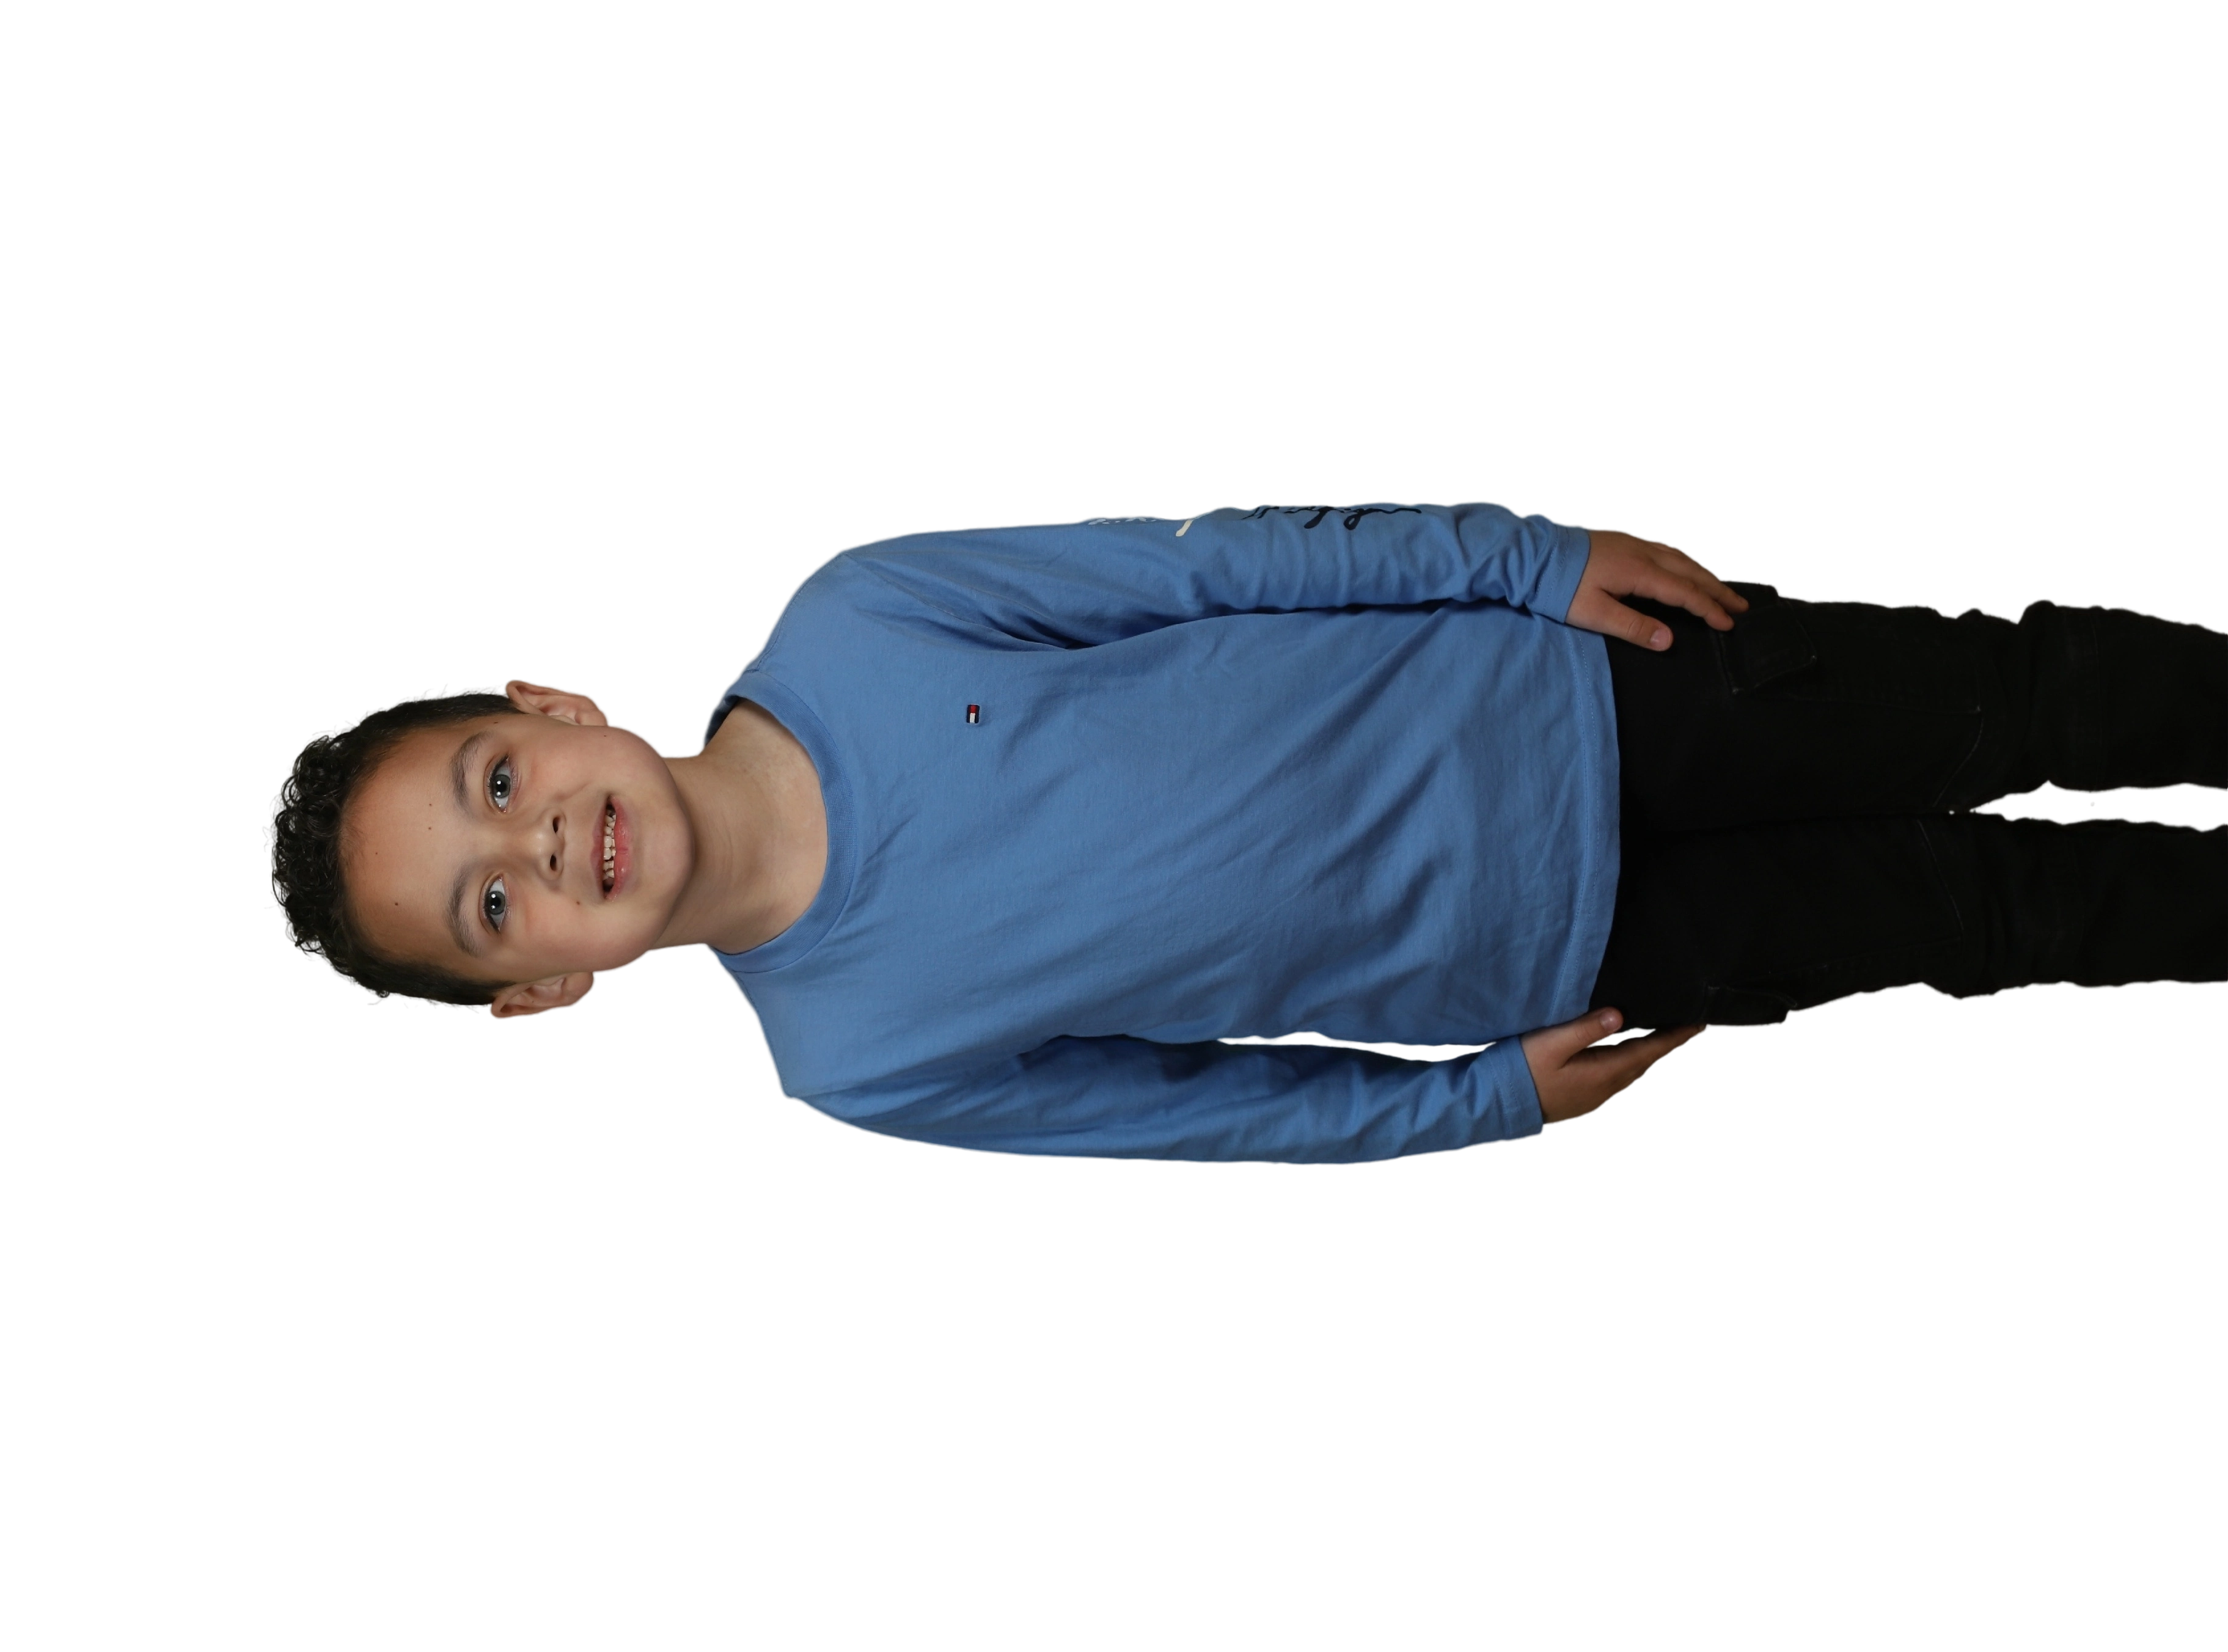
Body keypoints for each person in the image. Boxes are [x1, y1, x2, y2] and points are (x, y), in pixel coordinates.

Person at [260, 500, 2228, 1165]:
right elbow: (1199, 1114)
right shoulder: (856, 1063)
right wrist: (1472, 1103)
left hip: (1594, 683)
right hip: (1574, 958)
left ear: (551, 707)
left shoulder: (862, 619)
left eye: (495, 787)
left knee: (2021, 697)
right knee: (1990, 915)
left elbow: (1214, 566)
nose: (542, 850)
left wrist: (1520, 559)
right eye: (491, 909)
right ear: (545, 996)